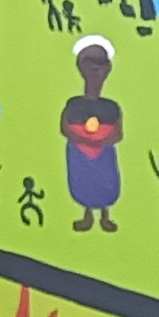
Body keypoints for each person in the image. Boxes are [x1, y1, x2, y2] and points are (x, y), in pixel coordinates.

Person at [59, 36, 124, 232]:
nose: (96, 69)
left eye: (101, 63)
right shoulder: (74, 104)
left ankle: (105, 215)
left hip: (103, 154)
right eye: (90, 62)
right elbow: (65, 128)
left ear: (108, 68)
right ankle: (87, 214)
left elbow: (118, 133)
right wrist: (81, 139)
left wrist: (101, 141)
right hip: (80, 152)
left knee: (106, 183)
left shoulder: (112, 108)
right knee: (83, 183)